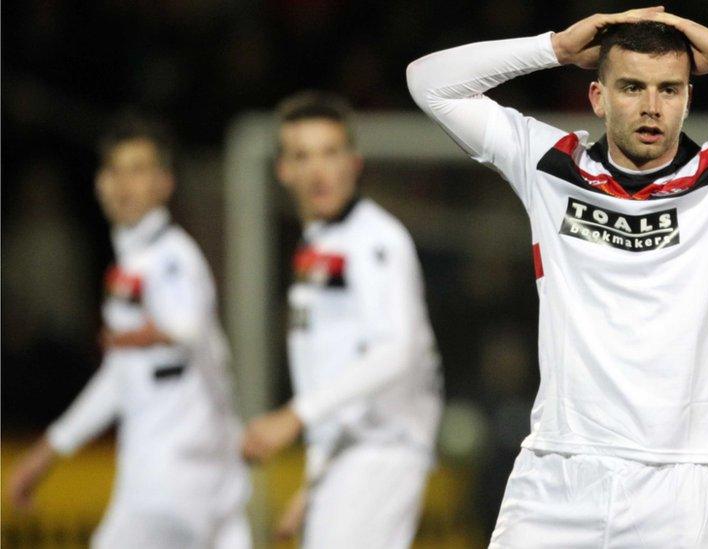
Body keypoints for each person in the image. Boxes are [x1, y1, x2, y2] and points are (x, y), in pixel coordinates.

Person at [408, 6, 708, 547]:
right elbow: (429, 82)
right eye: (631, 87)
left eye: (670, 89)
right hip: (559, 470)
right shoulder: (549, 163)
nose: (652, 107)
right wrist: (553, 48)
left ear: (688, 99)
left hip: (679, 484)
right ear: (597, 98)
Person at [6, 114, 252, 548]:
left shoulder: (172, 256)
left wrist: (149, 334)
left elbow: (187, 321)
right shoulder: (132, 262)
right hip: (168, 477)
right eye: (115, 170)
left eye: (139, 170)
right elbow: (120, 379)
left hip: (179, 478)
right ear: (99, 182)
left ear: (165, 183)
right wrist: (47, 453)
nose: (124, 184)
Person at [240, 92, 442, 549]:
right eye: (302, 156)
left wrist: (294, 417)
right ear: (283, 170)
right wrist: (316, 481)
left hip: (383, 449)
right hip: (349, 457)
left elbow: (397, 350)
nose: (318, 170)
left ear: (354, 162)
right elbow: (328, 368)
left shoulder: (376, 240)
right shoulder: (318, 245)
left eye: (330, 153)